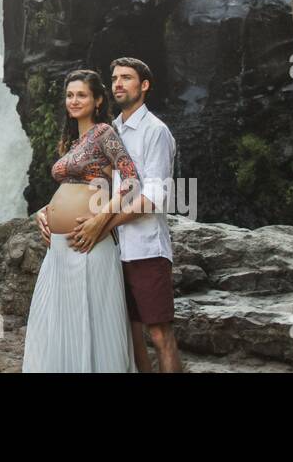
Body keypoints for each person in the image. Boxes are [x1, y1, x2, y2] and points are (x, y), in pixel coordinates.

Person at [22, 70, 141, 373]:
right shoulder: (72, 142)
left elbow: (131, 181)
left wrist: (100, 219)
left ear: (98, 99)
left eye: (82, 95)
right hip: (59, 250)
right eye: (70, 95)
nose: (74, 101)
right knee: (56, 322)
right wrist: (44, 211)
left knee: (92, 324)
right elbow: (73, 189)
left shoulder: (104, 134)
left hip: (89, 244)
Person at [96, 57, 182, 373]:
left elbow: (155, 197)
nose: (118, 83)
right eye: (115, 77)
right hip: (114, 253)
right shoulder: (110, 132)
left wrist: (104, 224)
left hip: (146, 249)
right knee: (130, 336)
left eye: (127, 78)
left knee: (159, 334)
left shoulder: (155, 131)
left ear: (143, 86)